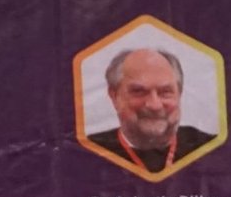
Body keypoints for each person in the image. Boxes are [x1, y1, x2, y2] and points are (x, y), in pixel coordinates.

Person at [85, 47, 216, 174]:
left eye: (165, 92)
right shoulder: (87, 152)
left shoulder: (211, 148)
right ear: (114, 96)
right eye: (138, 91)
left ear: (179, 94)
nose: (154, 105)